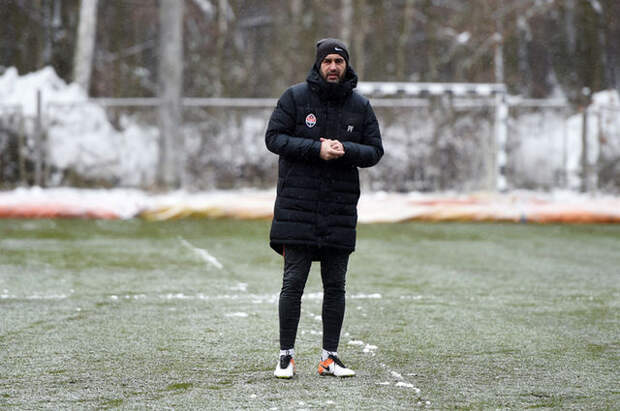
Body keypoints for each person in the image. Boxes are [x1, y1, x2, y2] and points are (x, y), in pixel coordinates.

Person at [265, 38, 383, 379]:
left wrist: (346, 149)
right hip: (296, 208)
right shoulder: (294, 98)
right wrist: (316, 149)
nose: (333, 66)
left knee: (335, 286)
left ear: (347, 66)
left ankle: (329, 358)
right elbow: (274, 138)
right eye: (328, 61)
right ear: (318, 64)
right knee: (293, 284)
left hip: (339, 209)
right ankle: (286, 357)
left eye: (339, 61)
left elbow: (375, 151)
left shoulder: (360, 106)